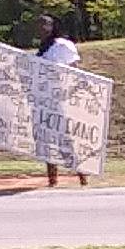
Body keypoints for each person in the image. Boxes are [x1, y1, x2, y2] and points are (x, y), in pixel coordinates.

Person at [34, 15, 87, 187]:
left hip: (63, 99)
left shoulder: (62, 45)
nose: (41, 28)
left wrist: (73, 93)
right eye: (38, 25)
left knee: (69, 139)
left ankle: (83, 178)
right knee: (47, 140)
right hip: (45, 101)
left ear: (52, 26)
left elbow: (74, 69)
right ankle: (52, 180)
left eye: (45, 25)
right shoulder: (42, 50)